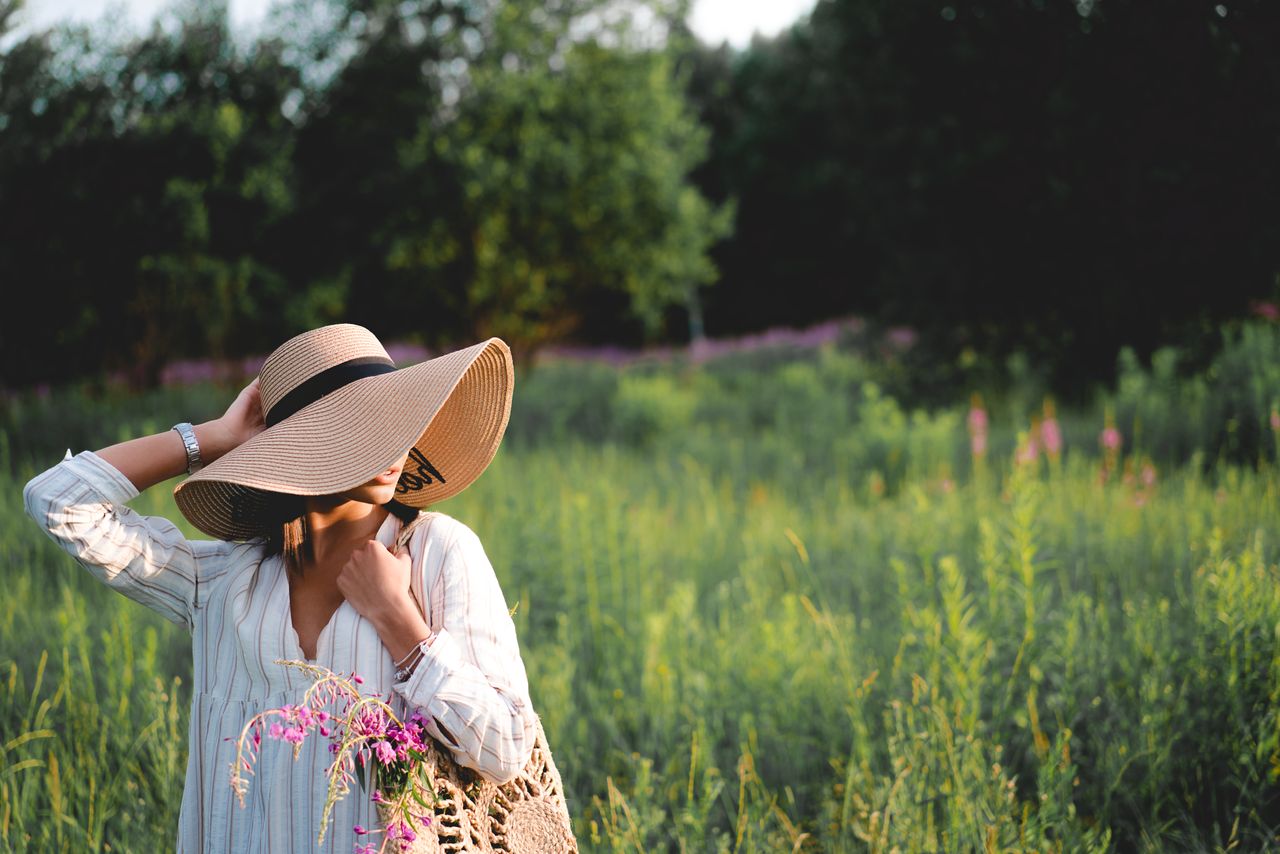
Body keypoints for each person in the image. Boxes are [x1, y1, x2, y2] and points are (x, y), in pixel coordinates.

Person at [22, 323, 537, 853]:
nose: (396, 443)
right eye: (366, 424)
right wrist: (211, 438)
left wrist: (398, 620)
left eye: (398, 419)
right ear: (303, 444)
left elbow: (507, 747)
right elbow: (58, 502)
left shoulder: (435, 552)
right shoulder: (224, 581)